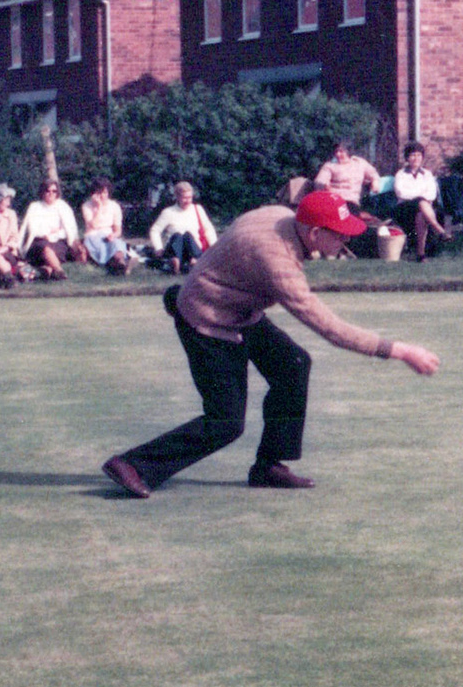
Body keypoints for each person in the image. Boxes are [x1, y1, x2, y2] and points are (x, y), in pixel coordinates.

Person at [102, 190, 440, 498]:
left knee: (293, 365)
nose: (346, 241)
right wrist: (401, 350)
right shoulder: (278, 262)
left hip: (235, 307)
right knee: (226, 423)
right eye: (339, 235)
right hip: (207, 321)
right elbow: (329, 327)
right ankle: (133, 465)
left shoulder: (282, 215)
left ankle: (269, 467)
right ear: (313, 233)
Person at [391, 143, 449, 259]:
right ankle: (439, 229)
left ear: (422, 157)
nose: (416, 158)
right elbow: (401, 193)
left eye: (418, 155)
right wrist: (419, 197)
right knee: (421, 202)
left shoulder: (427, 174)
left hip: (424, 209)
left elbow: (431, 194)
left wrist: (419, 197)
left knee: (421, 214)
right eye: (413, 155)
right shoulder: (401, 174)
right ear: (407, 158)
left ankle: (420, 254)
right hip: (405, 209)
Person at [148, 180, 216, 274]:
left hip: (193, 247)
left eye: (190, 197)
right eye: (184, 198)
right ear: (177, 197)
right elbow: (155, 230)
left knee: (188, 235)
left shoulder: (198, 209)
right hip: (175, 248)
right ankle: (175, 262)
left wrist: (214, 247)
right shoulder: (168, 212)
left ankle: (195, 260)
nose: (188, 201)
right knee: (178, 235)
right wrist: (158, 248)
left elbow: (208, 229)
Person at [18, 178, 80, 280]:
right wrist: (49, 232)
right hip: (39, 242)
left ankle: (44, 272)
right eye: (48, 191)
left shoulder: (63, 206)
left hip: (59, 243)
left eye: (54, 191)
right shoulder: (35, 207)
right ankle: (60, 272)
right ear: (43, 192)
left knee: (49, 257)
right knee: (46, 249)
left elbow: (67, 231)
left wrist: (53, 234)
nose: (51, 193)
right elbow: (33, 230)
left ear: (57, 193)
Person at [80, 178, 131, 274]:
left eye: (105, 193)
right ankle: (118, 265)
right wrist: (99, 206)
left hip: (108, 233)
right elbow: (93, 225)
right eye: (99, 193)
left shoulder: (114, 206)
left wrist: (114, 235)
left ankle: (121, 263)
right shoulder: (87, 206)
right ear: (94, 194)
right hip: (93, 235)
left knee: (116, 243)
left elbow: (118, 230)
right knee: (102, 246)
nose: (103, 196)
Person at [313, 139, 378, 210]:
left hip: (351, 201)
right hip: (333, 200)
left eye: (341, 151)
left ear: (348, 151)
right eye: (336, 151)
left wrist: (375, 183)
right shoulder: (329, 166)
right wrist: (324, 185)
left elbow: (373, 174)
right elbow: (320, 180)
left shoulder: (359, 163)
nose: (338, 154)